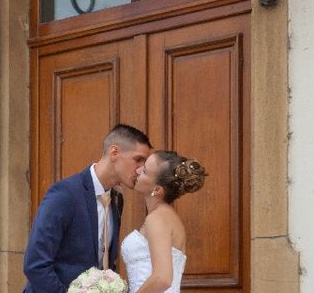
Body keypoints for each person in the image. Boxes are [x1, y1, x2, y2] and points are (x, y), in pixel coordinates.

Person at [23, 124, 152, 293]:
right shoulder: (65, 194)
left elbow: (105, 262)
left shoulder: (117, 199)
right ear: (114, 152)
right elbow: (35, 264)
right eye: (138, 159)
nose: (141, 169)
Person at [121, 151, 207, 293]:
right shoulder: (167, 217)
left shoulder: (157, 219)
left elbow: (163, 278)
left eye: (145, 171)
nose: (137, 170)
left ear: (157, 189)